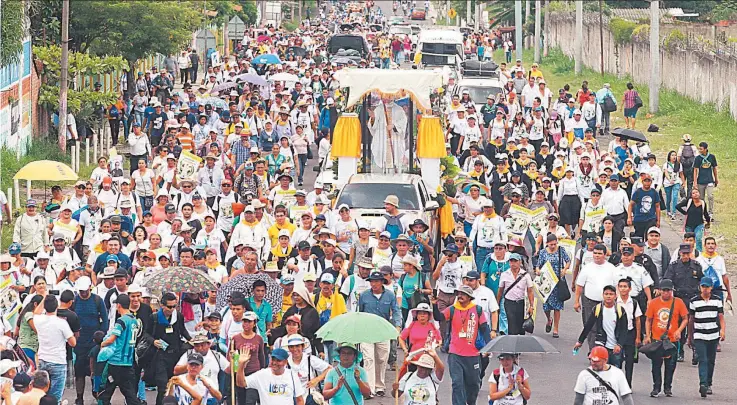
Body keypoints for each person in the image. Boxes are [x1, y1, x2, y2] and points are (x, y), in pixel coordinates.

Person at [437, 285, 491, 405]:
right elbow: (438, 317)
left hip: (473, 354)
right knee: (457, 383)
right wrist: (435, 303)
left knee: (473, 384)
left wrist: (488, 347)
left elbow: (484, 329)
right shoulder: (452, 309)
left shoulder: (478, 310)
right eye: (459, 293)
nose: (460, 296)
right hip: (455, 353)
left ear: (469, 297)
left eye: (463, 294)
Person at [357, 272, 401, 397]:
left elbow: (396, 311)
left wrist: (397, 326)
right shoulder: (364, 295)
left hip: (383, 330)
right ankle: (369, 388)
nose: (374, 284)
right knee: (368, 359)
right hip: (367, 330)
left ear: (382, 282)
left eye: (377, 281)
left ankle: (379, 386)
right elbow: (359, 312)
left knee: (382, 358)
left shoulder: (390, 295)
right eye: (372, 281)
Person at [644, 279, 689, 398]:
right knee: (656, 365)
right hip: (657, 340)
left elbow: (685, 318)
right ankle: (656, 387)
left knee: (671, 365)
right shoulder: (653, 303)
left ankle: (668, 387)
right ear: (660, 291)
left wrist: (679, 330)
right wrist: (648, 336)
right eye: (664, 291)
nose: (666, 293)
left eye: (668, 291)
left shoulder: (678, 302)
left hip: (671, 340)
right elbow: (648, 320)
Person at [148, 292, 192, 405]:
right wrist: (153, 341)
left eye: (174, 306)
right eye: (169, 306)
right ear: (162, 305)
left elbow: (183, 330)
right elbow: (146, 334)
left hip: (175, 355)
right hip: (160, 355)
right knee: (163, 387)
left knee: (174, 385)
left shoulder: (179, 316)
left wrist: (191, 340)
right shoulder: (155, 317)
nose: (172, 309)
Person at [98, 294, 143, 405]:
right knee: (127, 391)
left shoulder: (121, 321)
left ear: (119, 305)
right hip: (128, 361)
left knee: (108, 390)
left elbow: (112, 339)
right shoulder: (134, 320)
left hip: (116, 361)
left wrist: (102, 344)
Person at [663, 244, 703, 363]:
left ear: (691, 253)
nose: (685, 256)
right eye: (683, 253)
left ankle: (695, 351)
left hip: (693, 299)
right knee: (680, 326)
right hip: (679, 299)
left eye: (687, 253)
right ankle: (680, 351)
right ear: (680, 253)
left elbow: (702, 281)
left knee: (695, 326)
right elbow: (667, 282)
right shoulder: (674, 267)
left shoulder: (696, 266)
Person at [33, 295, 77, 402]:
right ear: (57, 306)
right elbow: (73, 343)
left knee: (40, 395)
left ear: (44, 306)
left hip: (43, 359)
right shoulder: (61, 323)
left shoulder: (38, 319)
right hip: (58, 361)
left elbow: (36, 312)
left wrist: (44, 297)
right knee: (55, 397)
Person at [574, 244, 617, 350]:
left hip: (606, 303)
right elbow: (580, 285)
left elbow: (616, 286)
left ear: (605, 254)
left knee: (605, 326)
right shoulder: (587, 268)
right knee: (591, 327)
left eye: (599, 253)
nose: (597, 256)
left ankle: (605, 350)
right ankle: (593, 351)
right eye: (595, 253)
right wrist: (576, 301)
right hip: (589, 302)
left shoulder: (611, 268)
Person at [688, 276, 726, 398]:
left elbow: (721, 317)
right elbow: (691, 320)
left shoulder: (717, 300)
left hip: (713, 334)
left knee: (711, 360)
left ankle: (709, 383)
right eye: (703, 286)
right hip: (699, 334)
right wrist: (690, 336)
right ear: (700, 287)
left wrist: (723, 331)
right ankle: (703, 383)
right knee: (702, 359)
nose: (705, 289)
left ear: (711, 288)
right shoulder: (694, 301)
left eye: (707, 287)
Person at [573, 285, 628, 367]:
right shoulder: (598, 309)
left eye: (611, 294)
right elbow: (588, 326)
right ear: (603, 295)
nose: (608, 296)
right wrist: (580, 341)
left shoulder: (620, 311)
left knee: (615, 372)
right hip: (601, 344)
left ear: (615, 296)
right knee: (600, 371)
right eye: (606, 294)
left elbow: (624, 330)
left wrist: (619, 344)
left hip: (615, 348)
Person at [534, 234, 571, 338]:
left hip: (558, 280)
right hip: (547, 280)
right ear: (547, 244)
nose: (553, 246)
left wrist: (564, 269)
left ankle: (556, 329)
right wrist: (537, 271)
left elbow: (568, 260)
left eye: (555, 244)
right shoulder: (543, 252)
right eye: (551, 244)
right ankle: (549, 319)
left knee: (557, 306)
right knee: (546, 306)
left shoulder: (561, 250)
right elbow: (538, 265)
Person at [496, 254, 534, 336]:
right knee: (512, 325)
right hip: (509, 302)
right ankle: (511, 342)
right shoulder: (505, 274)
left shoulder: (525, 275)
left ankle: (520, 344)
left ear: (520, 262)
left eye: (515, 261)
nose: (513, 263)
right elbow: (500, 290)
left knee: (521, 326)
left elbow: (530, 291)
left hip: (521, 302)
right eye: (511, 261)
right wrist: (497, 303)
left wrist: (531, 306)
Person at [692, 141, 718, 221]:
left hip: (709, 180)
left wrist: (716, 179)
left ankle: (711, 212)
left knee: (710, 196)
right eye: (699, 149)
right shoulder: (698, 158)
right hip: (700, 181)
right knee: (701, 198)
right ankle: (703, 213)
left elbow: (714, 168)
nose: (700, 150)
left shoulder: (711, 157)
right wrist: (695, 182)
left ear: (706, 149)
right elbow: (695, 170)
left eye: (701, 149)